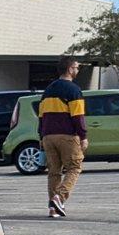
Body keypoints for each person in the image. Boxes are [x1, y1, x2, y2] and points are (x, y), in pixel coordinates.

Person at [38, 56, 87, 218]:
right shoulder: (73, 90)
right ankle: (59, 197)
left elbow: (41, 116)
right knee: (74, 167)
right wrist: (83, 136)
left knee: (54, 172)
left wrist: (41, 136)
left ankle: (53, 207)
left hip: (47, 135)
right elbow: (78, 116)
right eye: (77, 67)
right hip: (67, 134)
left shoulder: (47, 90)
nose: (78, 70)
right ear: (70, 68)